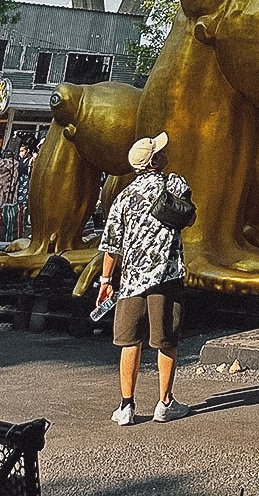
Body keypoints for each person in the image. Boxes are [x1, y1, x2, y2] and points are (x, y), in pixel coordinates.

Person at [96, 131, 193, 426]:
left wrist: (105, 281)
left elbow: (112, 245)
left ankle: (126, 406)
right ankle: (165, 402)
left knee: (129, 341)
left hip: (131, 281)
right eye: (159, 152)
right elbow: (190, 216)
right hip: (166, 275)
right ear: (154, 160)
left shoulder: (123, 197)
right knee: (166, 340)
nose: (164, 153)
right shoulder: (174, 183)